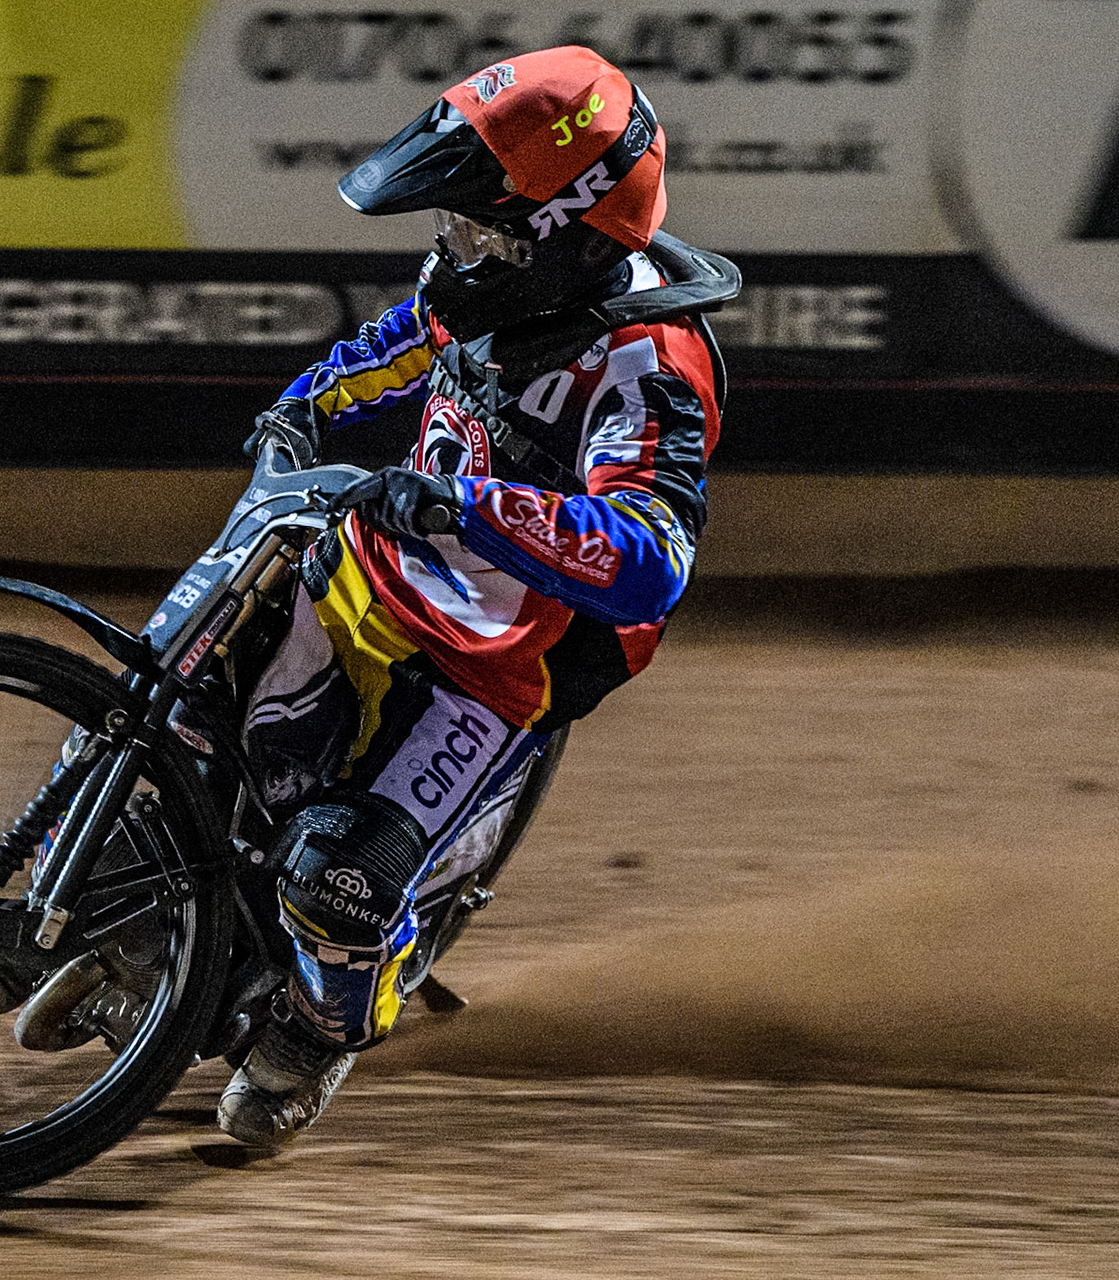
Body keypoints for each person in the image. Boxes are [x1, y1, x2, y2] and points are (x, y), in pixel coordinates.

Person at [212, 45, 738, 1147]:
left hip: (504, 661)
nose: (453, 252)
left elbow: (652, 555)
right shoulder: (493, 278)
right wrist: (300, 409)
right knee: (193, 700)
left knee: (338, 880)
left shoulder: (649, 362)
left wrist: (464, 505)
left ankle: (318, 1032)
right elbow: (407, 340)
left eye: (480, 231)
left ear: (565, 232)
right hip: (379, 568)